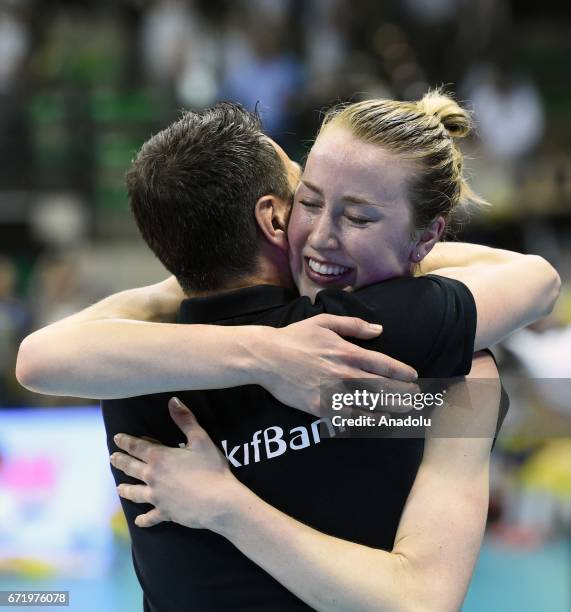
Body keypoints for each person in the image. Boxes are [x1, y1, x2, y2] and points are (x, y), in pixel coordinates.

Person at [17, 95, 560, 611]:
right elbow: (531, 281)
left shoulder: (129, 366)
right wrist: (269, 354)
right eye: (310, 198)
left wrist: (227, 504)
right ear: (274, 217)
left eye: (359, 216)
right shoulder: (385, 339)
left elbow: (41, 358)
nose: (320, 236)